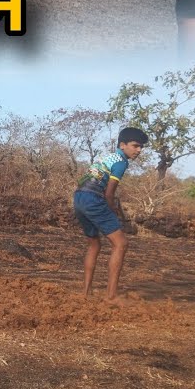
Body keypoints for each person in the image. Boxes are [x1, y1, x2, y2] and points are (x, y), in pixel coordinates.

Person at [73, 126, 147, 302]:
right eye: (135, 145)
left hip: (79, 198)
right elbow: (109, 193)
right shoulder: (121, 162)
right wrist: (114, 211)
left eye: (141, 147)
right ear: (123, 145)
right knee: (120, 244)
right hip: (93, 199)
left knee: (94, 245)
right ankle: (111, 296)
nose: (139, 150)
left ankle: (86, 293)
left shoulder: (107, 157)